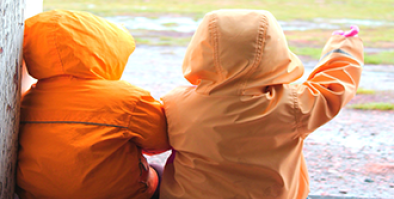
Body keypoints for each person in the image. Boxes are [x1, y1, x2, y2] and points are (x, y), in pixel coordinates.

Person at [159, 10, 363, 199]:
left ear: (200, 49)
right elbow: (333, 87)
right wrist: (343, 47)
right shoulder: (293, 105)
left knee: (154, 173)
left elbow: (153, 144)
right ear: (275, 49)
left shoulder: (176, 104)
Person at [17, 10, 169, 199]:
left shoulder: (26, 101)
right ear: (105, 51)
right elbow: (161, 140)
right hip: (120, 195)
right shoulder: (129, 99)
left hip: (39, 195)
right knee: (162, 174)